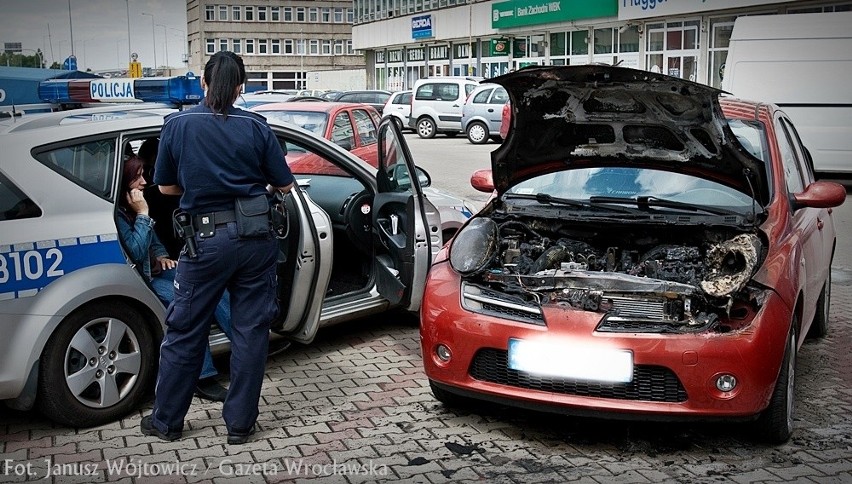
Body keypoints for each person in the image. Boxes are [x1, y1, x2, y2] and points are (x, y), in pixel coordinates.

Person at [141, 51, 294, 445]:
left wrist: (201, 186)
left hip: (205, 243)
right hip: (255, 241)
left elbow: (166, 188)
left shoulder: (177, 125)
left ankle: (167, 422)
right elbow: (285, 185)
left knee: (185, 331)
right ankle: (240, 425)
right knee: (250, 332)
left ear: (204, 84)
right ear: (242, 86)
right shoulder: (257, 126)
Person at [118, 155, 233, 402]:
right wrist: (143, 214)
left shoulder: (132, 207)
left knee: (213, 286)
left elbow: (152, 243)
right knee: (187, 305)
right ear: (124, 182)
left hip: (155, 267)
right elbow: (136, 252)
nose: (143, 182)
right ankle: (203, 377)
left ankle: (246, 346)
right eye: (137, 177)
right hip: (140, 277)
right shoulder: (124, 213)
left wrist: (161, 255)